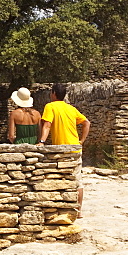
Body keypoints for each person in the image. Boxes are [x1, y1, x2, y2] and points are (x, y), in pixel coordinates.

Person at [38, 82, 90, 213]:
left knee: (59, 177)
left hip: (61, 149)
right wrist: (81, 141)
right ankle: (78, 211)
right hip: (75, 148)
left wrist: (42, 141)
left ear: (54, 93)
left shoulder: (50, 106)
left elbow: (47, 125)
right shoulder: (71, 108)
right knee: (78, 180)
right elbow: (86, 123)